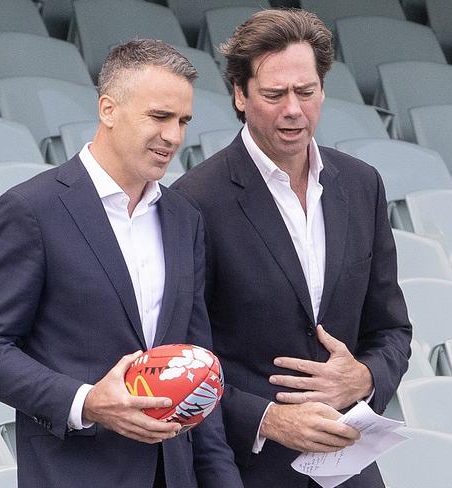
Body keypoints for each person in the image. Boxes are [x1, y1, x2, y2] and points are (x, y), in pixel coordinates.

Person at [0, 39, 243, 488]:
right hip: (75, 474)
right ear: (108, 109)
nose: (175, 136)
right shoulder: (31, 209)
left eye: (183, 121)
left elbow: (198, 367)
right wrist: (86, 402)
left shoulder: (185, 219)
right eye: (160, 116)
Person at [172, 9, 412, 488]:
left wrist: (364, 378)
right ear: (240, 95)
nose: (293, 110)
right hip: (245, 470)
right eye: (274, 94)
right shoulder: (192, 202)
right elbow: (181, 356)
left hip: (349, 464)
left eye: (305, 92)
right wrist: (265, 419)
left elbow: (392, 329)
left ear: (323, 89)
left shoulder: (363, 185)